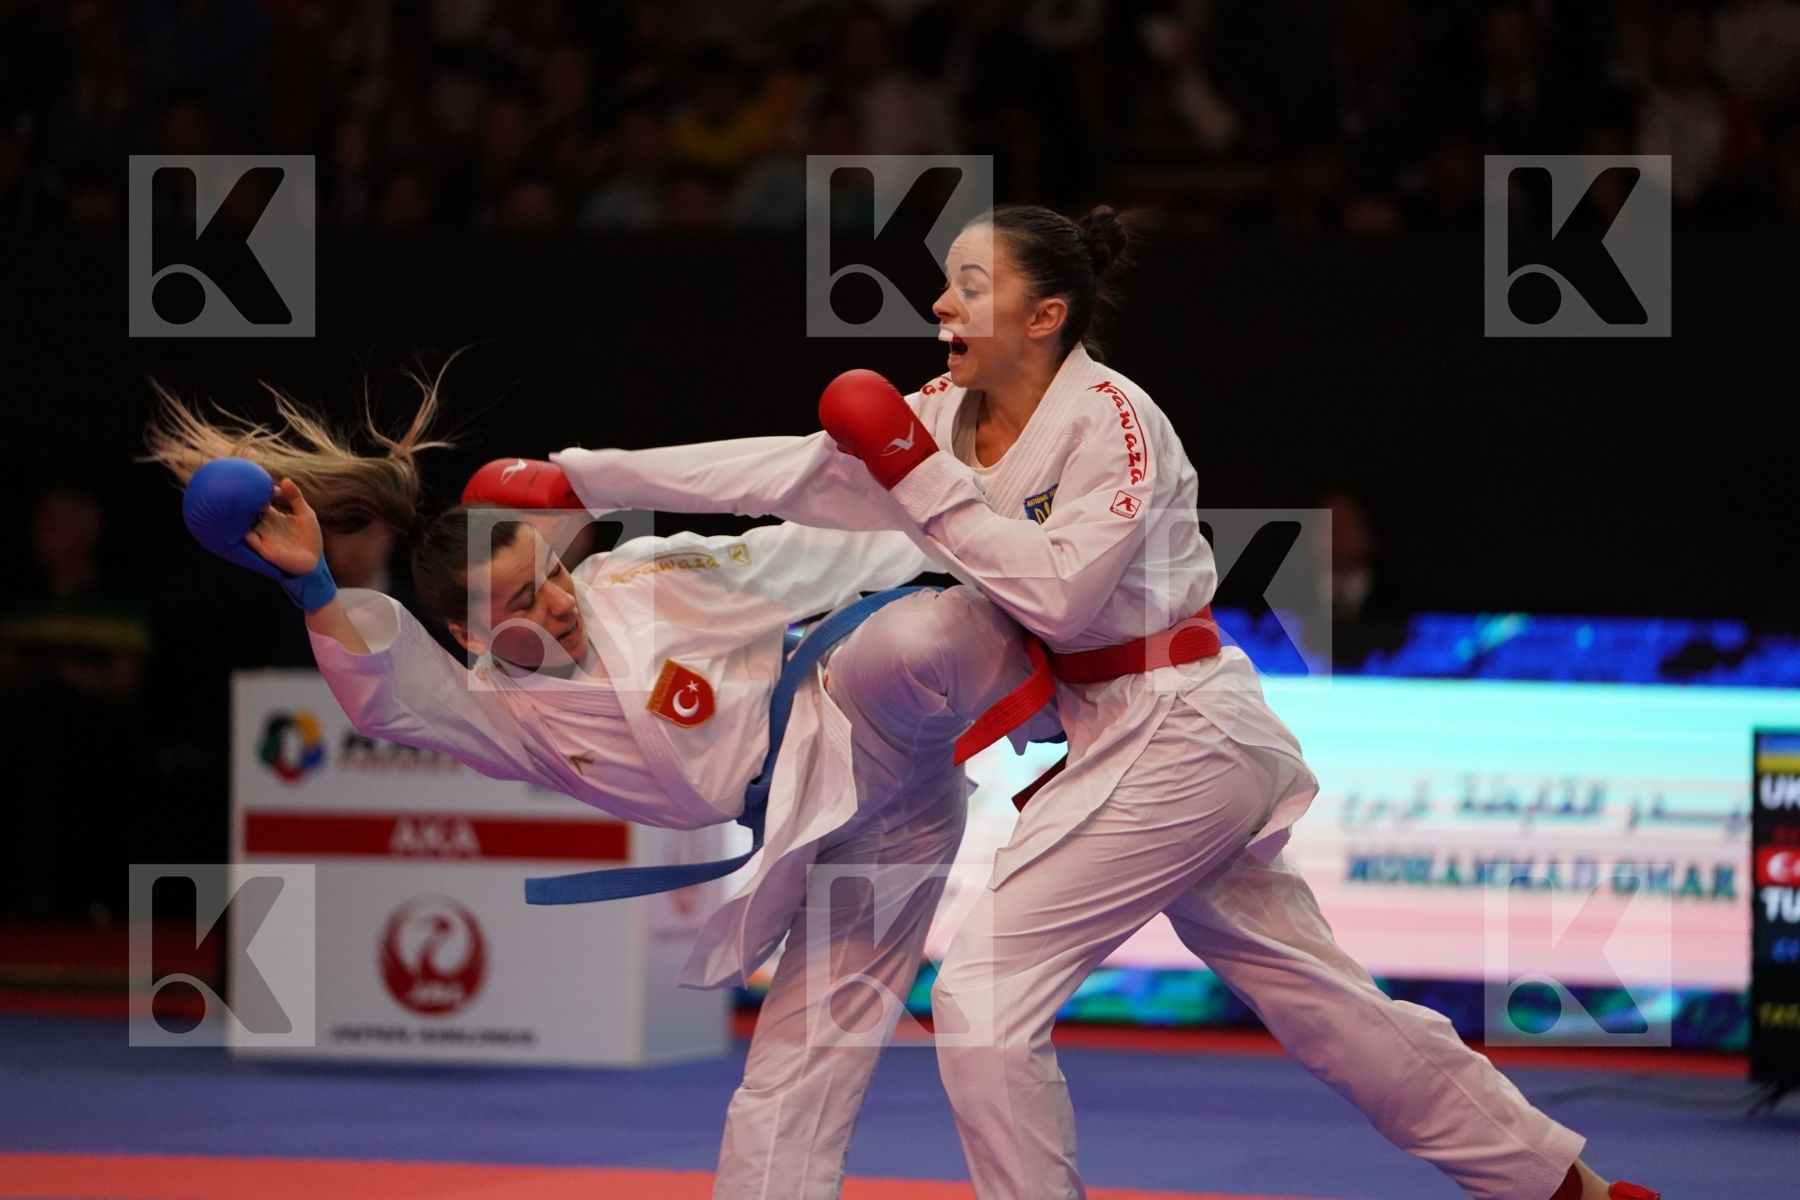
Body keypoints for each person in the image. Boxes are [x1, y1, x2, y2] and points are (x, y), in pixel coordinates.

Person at [501, 207, 1659, 1200]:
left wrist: (919, 478)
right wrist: (590, 473)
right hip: (1121, 735)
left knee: (988, 991)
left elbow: (1057, 586)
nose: (940, 301)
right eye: (943, 281)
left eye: (970, 284)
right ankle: (1564, 1185)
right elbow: (782, 474)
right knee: (1320, 1002)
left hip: (1182, 721)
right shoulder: (945, 417)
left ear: (1045, 316)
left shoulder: (1115, 422)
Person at [141, 378, 1054, 1200]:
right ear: (469, 638)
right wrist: (312, 589)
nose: (560, 603)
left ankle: (1089, 705)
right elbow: (387, 694)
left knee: (924, 639)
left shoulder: (639, 581)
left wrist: (958, 508)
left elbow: (804, 560)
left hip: (856, 713)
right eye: (522, 606)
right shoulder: (497, 714)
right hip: (848, 835)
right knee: (787, 1088)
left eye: (550, 577)